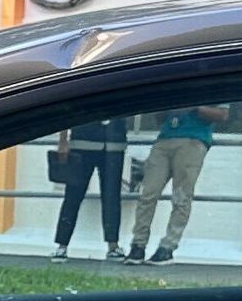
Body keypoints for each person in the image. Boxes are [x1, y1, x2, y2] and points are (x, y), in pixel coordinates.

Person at [124, 102, 227, 263]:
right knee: (148, 193)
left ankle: (168, 246)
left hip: (194, 139)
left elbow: (222, 114)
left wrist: (194, 107)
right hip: (165, 138)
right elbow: (158, 119)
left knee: (181, 196)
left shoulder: (212, 82)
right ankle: (138, 244)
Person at [48, 114, 129, 259]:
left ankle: (113, 245)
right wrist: (63, 140)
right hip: (82, 141)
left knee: (112, 197)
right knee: (73, 195)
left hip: (114, 143)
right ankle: (62, 245)